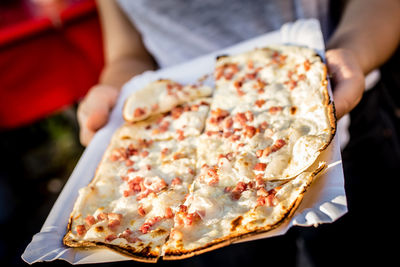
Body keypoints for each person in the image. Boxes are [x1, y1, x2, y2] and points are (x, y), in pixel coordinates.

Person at [77, 0, 400, 266]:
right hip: (176, 137)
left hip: (338, 107)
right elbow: (128, 54)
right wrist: (115, 92)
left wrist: (354, 52)